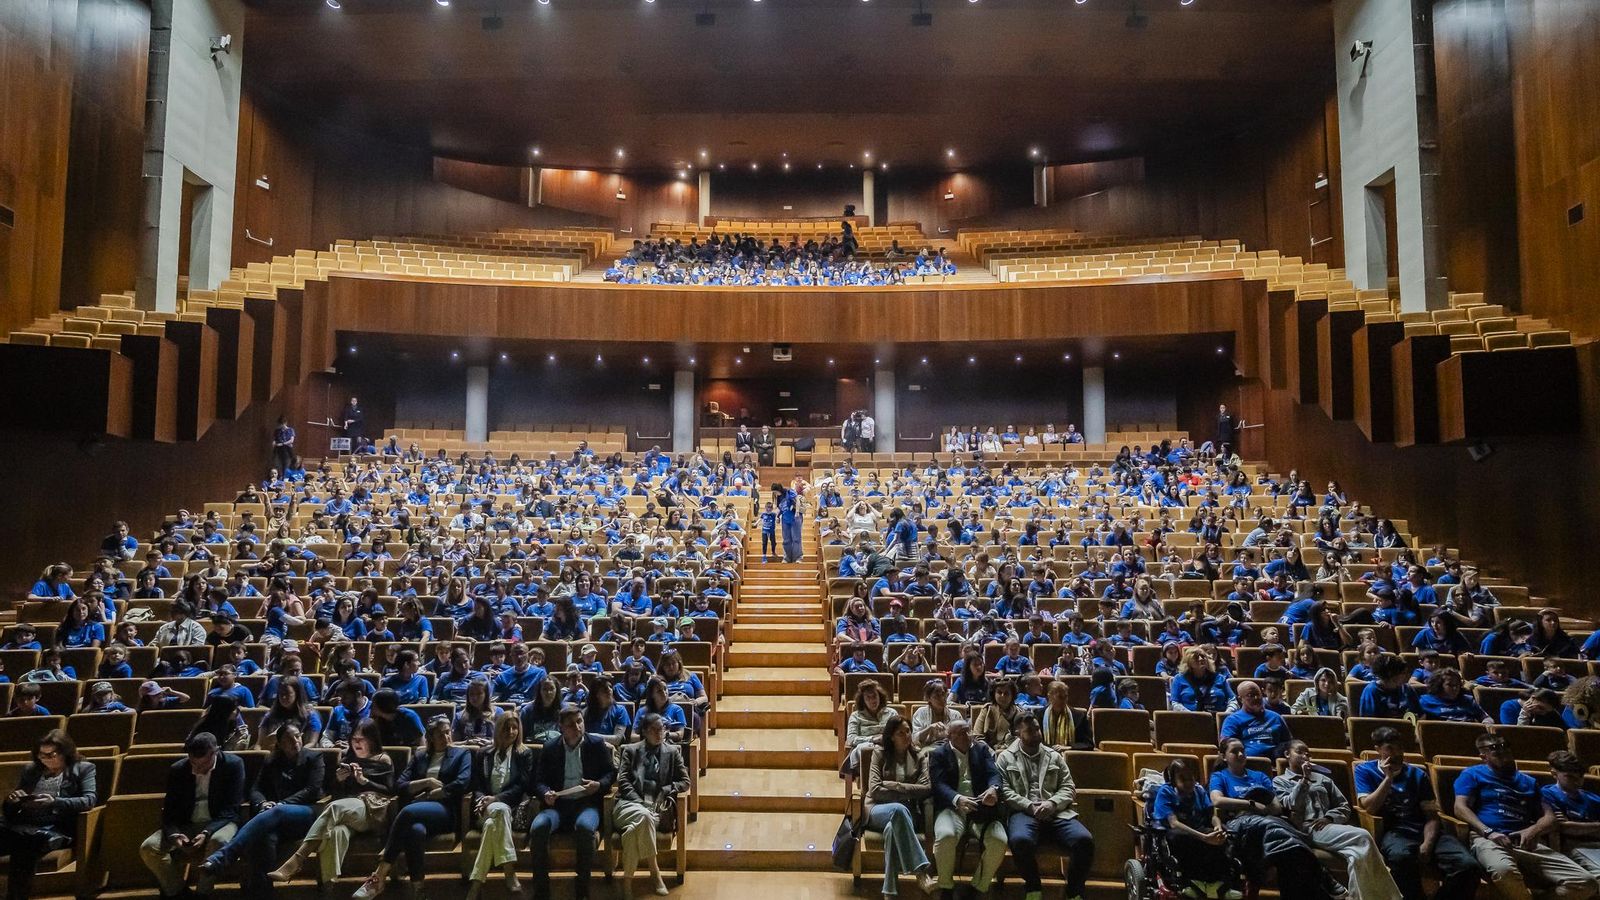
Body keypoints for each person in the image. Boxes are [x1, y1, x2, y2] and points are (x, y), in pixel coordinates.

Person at [1453, 733, 1597, 899]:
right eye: (1494, 748)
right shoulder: (1472, 774)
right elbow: (1460, 808)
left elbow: (1549, 818)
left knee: (1586, 882)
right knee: (1504, 871)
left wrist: (1533, 830)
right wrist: (1489, 832)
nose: (1503, 750)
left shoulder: (1528, 781)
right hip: (1489, 839)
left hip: (1527, 841)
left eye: (1505, 745)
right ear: (1483, 756)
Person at [1354, 725, 1482, 900]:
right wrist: (1388, 778)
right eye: (1390, 749)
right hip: (1395, 831)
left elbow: (1431, 815)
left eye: (1400, 748)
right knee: (1401, 858)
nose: (1397, 753)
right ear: (1377, 750)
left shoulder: (1417, 773)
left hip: (1425, 829)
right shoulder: (1364, 770)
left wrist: (1428, 843)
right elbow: (1369, 807)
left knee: (1468, 866)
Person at [351, 716, 471, 900]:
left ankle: (379, 875)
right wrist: (428, 782)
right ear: (430, 737)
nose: (446, 737)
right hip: (417, 812)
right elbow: (400, 785)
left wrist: (430, 794)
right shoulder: (420, 756)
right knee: (414, 831)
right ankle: (418, 890)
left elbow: (461, 784)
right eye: (441, 734)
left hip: (445, 811)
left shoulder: (462, 754)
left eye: (448, 732)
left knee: (407, 812)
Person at [197, 722, 325, 894]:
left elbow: (312, 790)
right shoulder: (272, 760)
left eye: (297, 736)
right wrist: (262, 803)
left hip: (306, 813)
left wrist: (282, 804)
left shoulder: (313, 758)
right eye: (289, 739)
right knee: (263, 838)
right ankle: (262, 892)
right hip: (274, 819)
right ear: (279, 743)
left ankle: (225, 855)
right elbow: (256, 790)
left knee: (276, 812)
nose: (296, 741)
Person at [269, 719, 397, 884]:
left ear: (372, 739)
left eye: (362, 739)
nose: (357, 743)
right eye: (354, 739)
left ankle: (296, 860)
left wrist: (364, 781)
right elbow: (335, 793)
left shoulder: (383, 759)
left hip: (372, 810)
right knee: (335, 833)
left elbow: (391, 791)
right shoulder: (348, 757)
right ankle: (329, 888)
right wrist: (338, 780)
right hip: (349, 810)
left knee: (335, 807)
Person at [1274, 739, 1403, 900]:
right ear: (1287, 754)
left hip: (1327, 826)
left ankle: (1356, 896)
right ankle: (1391, 897)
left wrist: (1329, 817)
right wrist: (1305, 780)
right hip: (1305, 829)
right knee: (1362, 836)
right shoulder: (1280, 781)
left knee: (1356, 854)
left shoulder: (1323, 779)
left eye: (1308, 753)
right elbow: (1291, 804)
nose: (1306, 755)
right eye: (1299, 752)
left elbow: (1344, 806)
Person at [996, 713, 1094, 900]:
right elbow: (1005, 791)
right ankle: (1033, 888)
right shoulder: (1005, 758)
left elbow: (1068, 787)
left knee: (1084, 840)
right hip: (1024, 812)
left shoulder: (1054, 756)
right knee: (1020, 841)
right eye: (1030, 730)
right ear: (1018, 733)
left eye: (1037, 728)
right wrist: (1030, 806)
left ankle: (1073, 892)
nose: (1036, 733)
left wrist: (1052, 803)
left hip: (1057, 812)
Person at [140, 733, 246, 900]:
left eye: (202, 764)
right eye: (193, 763)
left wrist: (206, 833)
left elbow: (231, 810)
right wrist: (174, 834)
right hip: (187, 824)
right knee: (148, 848)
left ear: (215, 753)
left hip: (220, 822)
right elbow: (169, 811)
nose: (196, 769)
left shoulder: (233, 765)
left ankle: (203, 893)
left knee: (218, 841)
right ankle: (179, 892)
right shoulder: (178, 769)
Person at [528, 705, 617, 900]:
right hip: (558, 805)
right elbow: (538, 781)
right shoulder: (550, 748)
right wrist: (545, 793)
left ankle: (582, 887)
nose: (577, 727)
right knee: (538, 828)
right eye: (571, 724)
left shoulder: (596, 744)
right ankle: (541, 889)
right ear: (561, 727)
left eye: (579, 722)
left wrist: (598, 784)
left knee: (585, 828)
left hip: (586, 803)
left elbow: (610, 773)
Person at [0, 730, 98, 900]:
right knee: (19, 838)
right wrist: (12, 800)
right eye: (41, 755)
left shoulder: (83, 769)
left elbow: (88, 800)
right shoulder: (31, 770)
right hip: (25, 824)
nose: (45, 759)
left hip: (56, 828)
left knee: (24, 844)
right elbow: (13, 805)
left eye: (50, 755)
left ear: (65, 752)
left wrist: (54, 801)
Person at [927, 719, 1008, 898]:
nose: (966, 736)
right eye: (960, 733)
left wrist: (993, 789)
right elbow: (938, 785)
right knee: (946, 835)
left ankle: (979, 886)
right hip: (952, 807)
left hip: (981, 807)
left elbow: (994, 774)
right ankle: (946, 885)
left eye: (968, 731)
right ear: (950, 736)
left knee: (999, 840)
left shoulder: (981, 749)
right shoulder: (938, 754)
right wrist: (957, 798)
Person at [614, 712, 690, 899]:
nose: (660, 733)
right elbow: (623, 781)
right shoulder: (631, 750)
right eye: (655, 730)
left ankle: (627, 883)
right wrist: (639, 802)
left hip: (656, 809)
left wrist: (666, 788)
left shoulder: (672, 752)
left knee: (633, 831)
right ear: (645, 732)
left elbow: (685, 781)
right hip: (628, 806)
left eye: (662, 729)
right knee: (644, 816)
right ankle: (655, 873)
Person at [863, 714, 938, 899]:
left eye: (908, 731)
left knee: (892, 830)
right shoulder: (879, 754)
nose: (906, 736)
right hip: (877, 809)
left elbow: (926, 788)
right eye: (900, 733)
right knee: (897, 809)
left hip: (907, 813)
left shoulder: (920, 756)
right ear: (891, 736)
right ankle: (921, 872)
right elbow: (874, 789)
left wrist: (894, 786)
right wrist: (907, 792)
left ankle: (889, 891)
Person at [464, 714, 534, 900]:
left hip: (510, 810)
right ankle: (509, 871)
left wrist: (495, 798)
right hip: (483, 809)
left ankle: (476, 883)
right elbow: (477, 785)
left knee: (492, 823)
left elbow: (522, 786)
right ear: (497, 730)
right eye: (506, 728)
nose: (511, 732)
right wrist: (481, 800)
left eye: (514, 728)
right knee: (497, 812)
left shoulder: (524, 754)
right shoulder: (483, 754)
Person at [1539, 750, 1600, 881]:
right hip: (1574, 847)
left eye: (1580, 777)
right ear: (1554, 774)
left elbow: (1571, 827)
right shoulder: (1548, 793)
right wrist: (1596, 826)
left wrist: (1577, 827)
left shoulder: (1593, 798)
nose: (1577, 781)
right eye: (1570, 777)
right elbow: (1563, 828)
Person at [1219, 681, 1292, 759]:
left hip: (1275, 761)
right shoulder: (1232, 720)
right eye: (1250, 695)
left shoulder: (1276, 717)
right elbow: (1226, 746)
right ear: (1240, 699)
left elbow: (1289, 743)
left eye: (1258, 694)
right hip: (1247, 763)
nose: (1256, 698)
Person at [773, 482, 802, 563]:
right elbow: (780, 508)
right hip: (785, 519)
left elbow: (797, 500)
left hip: (795, 517)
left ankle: (798, 557)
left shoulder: (790, 492)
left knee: (796, 539)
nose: (775, 494)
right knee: (786, 539)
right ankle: (787, 557)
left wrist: (797, 511)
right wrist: (777, 517)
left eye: (775, 492)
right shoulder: (778, 497)